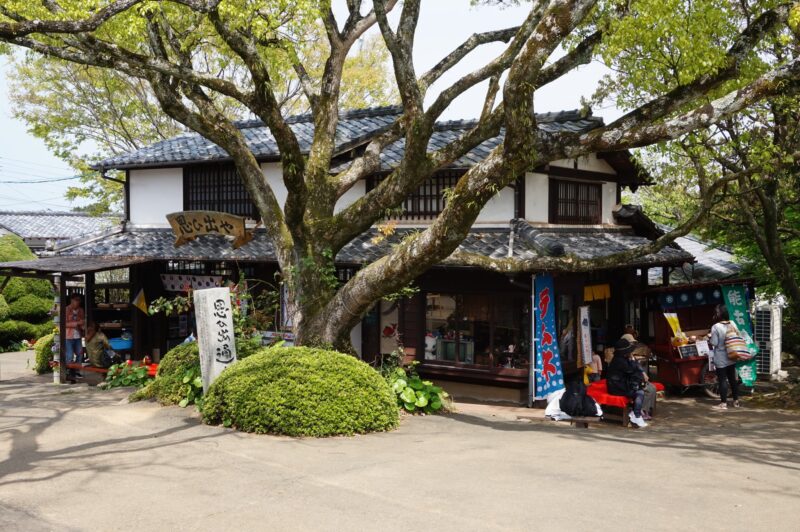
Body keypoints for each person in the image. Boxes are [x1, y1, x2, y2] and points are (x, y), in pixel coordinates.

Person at [607, 338, 650, 428]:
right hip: (616, 388)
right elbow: (632, 370)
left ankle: (636, 413)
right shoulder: (620, 361)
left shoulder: (621, 358)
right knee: (640, 392)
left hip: (620, 385)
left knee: (641, 389)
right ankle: (636, 415)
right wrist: (633, 360)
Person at [709, 305, 740, 410]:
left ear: (718, 314)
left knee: (722, 380)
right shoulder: (733, 323)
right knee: (732, 379)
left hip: (721, 357)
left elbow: (714, 342)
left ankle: (723, 403)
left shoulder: (716, 327)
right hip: (732, 355)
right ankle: (736, 401)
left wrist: (709, 338)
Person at [64, 294, 85, 365]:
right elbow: (64, 324)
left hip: (78, 336)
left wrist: (83, 325)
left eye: (79, 300)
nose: (78, 302)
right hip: (68, 336)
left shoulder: (81, 310)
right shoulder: (66, 309)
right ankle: (69, 372)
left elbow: (82, 322)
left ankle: (77, 371)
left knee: (80, 354)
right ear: (71, 300)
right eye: (77, 300)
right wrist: (77, 323)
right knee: (70, 355)